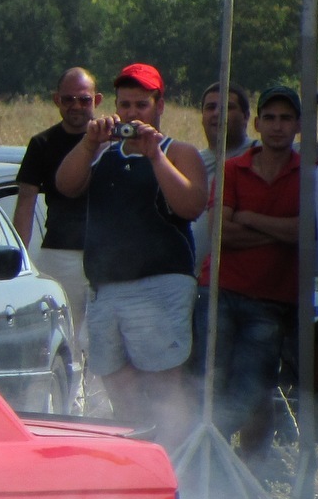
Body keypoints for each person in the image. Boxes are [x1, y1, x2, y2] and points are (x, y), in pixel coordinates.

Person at [54, 63, 208, 441]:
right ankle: (140, 457)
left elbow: (191, 205)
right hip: (106, 287)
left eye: (142, 105)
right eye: (125, 105)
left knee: (163, 386)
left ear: (159, 105)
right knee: (118, 386)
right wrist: (90, 142)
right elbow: (65, 185)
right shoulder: (102, 151)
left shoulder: (178, 151)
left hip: (159, 285)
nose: (132, 115)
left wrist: (155, 157)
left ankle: (175, 464)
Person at [196, 85, 302, 465]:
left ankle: (235, 470)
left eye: (286, 118)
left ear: (299, 125)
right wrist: (280, 231)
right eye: (270, 118)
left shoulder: (307, 174)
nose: (277, 126)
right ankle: (211, 471)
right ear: (256, 123)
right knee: (207, 383)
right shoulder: (231, 169)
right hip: (219, 291)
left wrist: (249, 218)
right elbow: (219, 234)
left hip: (271, 302)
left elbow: (302, 233)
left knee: (250, 389)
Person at [13, 67, 100, 336]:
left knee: (103, 336)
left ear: (96, 100)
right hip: (60, 253)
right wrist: (19, 260)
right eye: (68, 99)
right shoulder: (42, 144)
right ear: (56, 100)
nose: (76, 106)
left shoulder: (115, 141)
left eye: (84, 100)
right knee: (63, 333)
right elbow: (26, 203)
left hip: (108, 255)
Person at [193, 81, 253, 276]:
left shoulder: (264, 154)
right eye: (210, 107)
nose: (217, 113)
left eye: (228, 107)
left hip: (244, 279)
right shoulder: (191, 162)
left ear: (246, 117)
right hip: (195, 279)